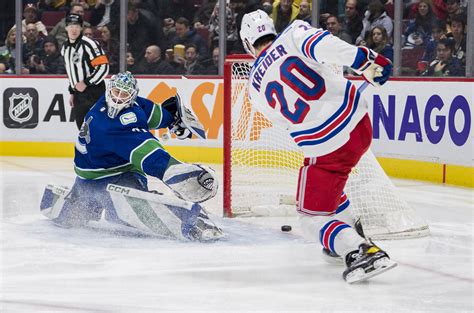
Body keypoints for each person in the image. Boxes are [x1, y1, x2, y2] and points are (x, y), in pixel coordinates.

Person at [240, 10, 396, 283]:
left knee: (310, 219)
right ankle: (348, 227)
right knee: (325, 187)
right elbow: (325, 46)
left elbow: (286, 121)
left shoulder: (254, 86)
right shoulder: (292, 33)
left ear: (246, 43)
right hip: (359, 124)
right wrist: (366, 61)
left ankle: (359, 249)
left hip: (328, 147)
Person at [40, 71, 222, 241]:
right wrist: (176, 172)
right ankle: (161, 207)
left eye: (124, 94)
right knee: (84, 216)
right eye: (116, 92)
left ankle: (184, 216)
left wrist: (172, 119)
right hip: (93, 178)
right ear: (109, 90)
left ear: (132, 96)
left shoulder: (133, 105)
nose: (118, 97)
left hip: (108, 173)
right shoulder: (110, 125)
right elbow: (149, 155)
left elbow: (151, 113)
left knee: (110, 211)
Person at [61, 13, 109, 130]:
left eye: (77, 26)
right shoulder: (65, 47)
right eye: (71, 26)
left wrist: (86, 83)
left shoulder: (89, 44)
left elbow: (103, 67)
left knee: (98, 127)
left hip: (94, 92)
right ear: (66, 27)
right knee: (82, 129)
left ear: (81, 28)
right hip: (79, 95)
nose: (74, 29)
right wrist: (72, 91)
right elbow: (72, 71)